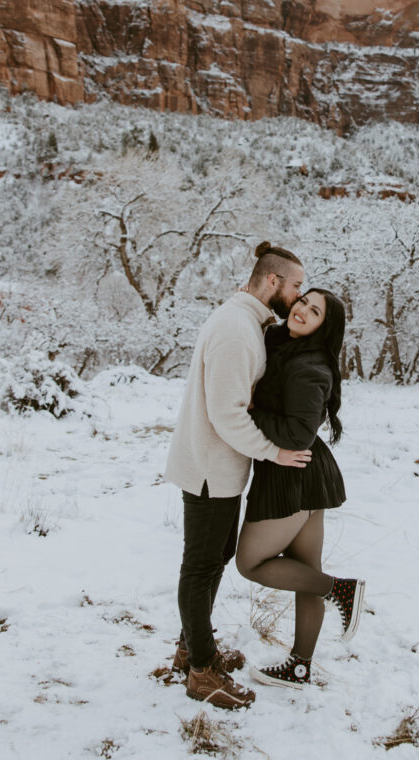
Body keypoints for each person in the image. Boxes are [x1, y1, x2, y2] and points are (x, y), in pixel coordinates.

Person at [164, 242, 312, 711]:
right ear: (273, 282)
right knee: (202, 565)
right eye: (295, 286)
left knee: (217, 556)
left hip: (219, 468)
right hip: (211, 468)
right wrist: (274, 452)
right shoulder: (235, 331)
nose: (298, 295)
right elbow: (227, 415)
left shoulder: (246, 321)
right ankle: (201, 671)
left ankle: (193, 649)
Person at [235, 288, 365, 689]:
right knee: (305, 572)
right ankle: (300, 666)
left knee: (249, 562)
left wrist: (253, 411)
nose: (303, 312)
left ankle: (341, 590)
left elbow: (298, 433)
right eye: (302, 302)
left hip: (294, 472)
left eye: (315, 311)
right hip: (305, 471)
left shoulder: (311, 366)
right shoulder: (282, 343)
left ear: (326, 326)